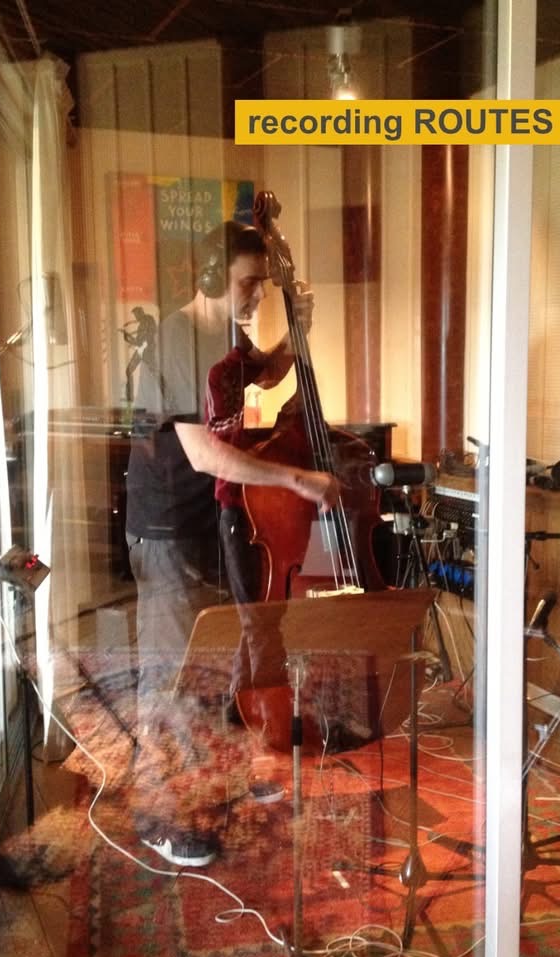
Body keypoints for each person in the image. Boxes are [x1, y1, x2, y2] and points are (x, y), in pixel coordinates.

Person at [125, 220, 338, 867]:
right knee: (170, 676)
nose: (256, 295)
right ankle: (157, 817)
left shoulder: (225, 339)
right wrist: (296, 478)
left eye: (261, 284)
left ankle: (221, 784)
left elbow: (262, 382)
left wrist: (294, 334)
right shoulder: (176, 340)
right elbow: (204, 452)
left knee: (217, 665)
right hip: (169, 526)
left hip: (213, 520)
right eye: (248, 283)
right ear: (213, 277)